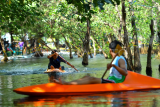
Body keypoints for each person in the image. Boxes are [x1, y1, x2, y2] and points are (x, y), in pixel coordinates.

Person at [53, 40, 128, 85]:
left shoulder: (120, 58)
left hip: (115, 83)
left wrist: (114, 66)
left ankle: (66, 83)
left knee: (90, 78)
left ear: (110, 50)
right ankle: (70, 83)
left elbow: (125, 72)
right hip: (111, 81)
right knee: (86, 77)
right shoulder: (116, 59)